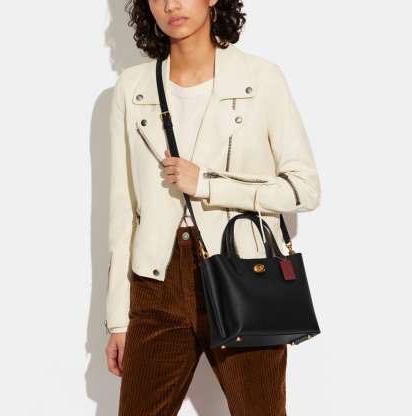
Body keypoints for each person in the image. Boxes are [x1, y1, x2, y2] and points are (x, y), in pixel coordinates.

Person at [105, 1, 321, 415]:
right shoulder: (133, 88)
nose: (171, 5)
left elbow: (304, 189)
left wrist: (206, 184)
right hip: (157, 284)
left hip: (244, 274)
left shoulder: (260, 78)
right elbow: (122, 212)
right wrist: (117, 320)